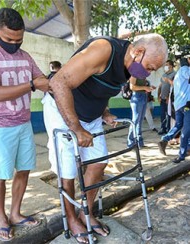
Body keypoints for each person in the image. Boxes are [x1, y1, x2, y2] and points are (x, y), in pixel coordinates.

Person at [43, 33, 168, 243]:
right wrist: (75, 128)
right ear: (138, 52)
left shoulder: (129, 66)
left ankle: (86, 212)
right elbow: (58, 83)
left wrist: (105, 113)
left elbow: (100, 90)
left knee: (100, 162)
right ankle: (72, 219)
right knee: (68, 169)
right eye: (150, 67)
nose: (148, 73)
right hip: (62, 110)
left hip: (91, 115)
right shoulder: (103, 49)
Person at [0, 8, 49, 242]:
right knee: (1, 174)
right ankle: (2, 217)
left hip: (23, 122)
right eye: (9, 39)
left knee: (24, 170)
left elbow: (44, 80)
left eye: (19, 39)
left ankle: (15, 213)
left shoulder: (25, 57)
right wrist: (32, 85)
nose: (15, 44)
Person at [158, 57, 190, 159]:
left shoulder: (178, 73)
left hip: (179, 104)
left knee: (178, 125)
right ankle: (184, 151)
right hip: (186, 104)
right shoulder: (185, 70)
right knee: (187, 129)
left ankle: (165, 139)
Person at [127, 77, 156, 148]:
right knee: (135, 120)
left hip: (143, 96)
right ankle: (130, 142)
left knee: (140, 120)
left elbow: (142, 87)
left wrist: (149, 88)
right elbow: (132, 87)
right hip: (137, 97)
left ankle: (139, 141)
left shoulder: (143, 74)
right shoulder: (134, 73)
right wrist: (145, 88)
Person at [157, 60, 176, 135]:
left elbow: (174, 87)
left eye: (167, 65)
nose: (165, 66)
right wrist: (158, 96)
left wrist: (169, 97)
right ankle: (163, 128)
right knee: (162, 114)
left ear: (171, 66)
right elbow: (160, 87)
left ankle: (168, 129)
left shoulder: (175, 74)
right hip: (162, 98)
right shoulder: (164, 75)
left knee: (169, 115)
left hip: (170, 99)